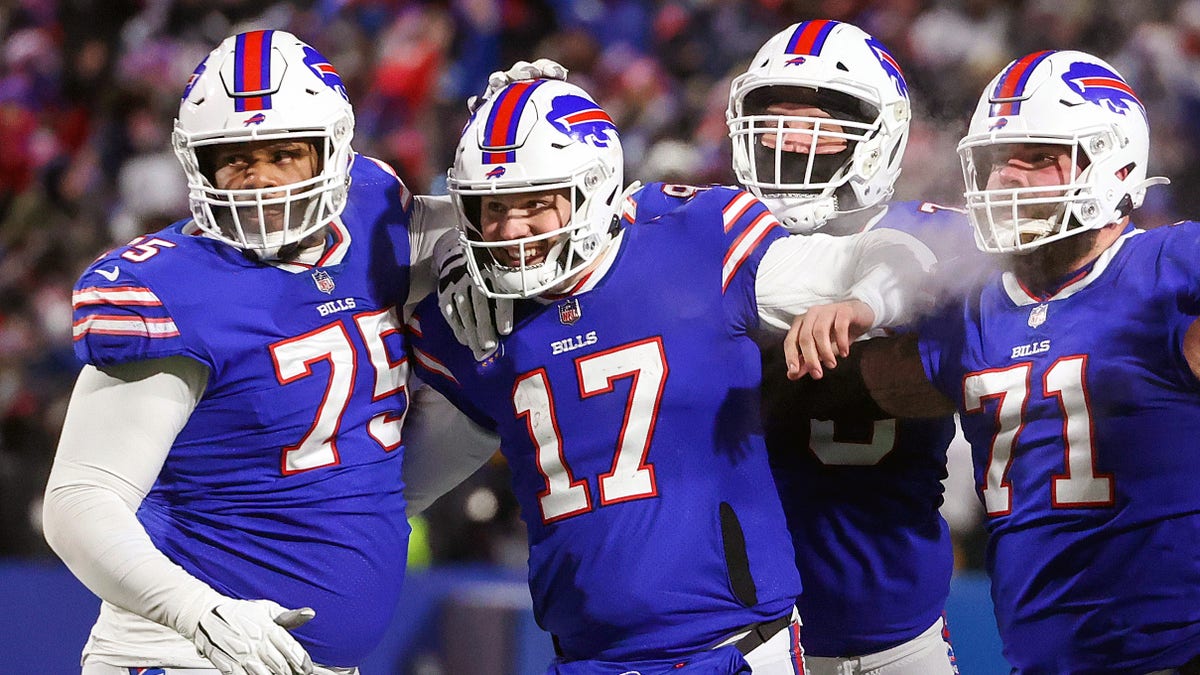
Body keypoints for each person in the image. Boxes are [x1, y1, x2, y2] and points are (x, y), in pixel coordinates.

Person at [411, 76, 937, 673]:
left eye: (537, 203)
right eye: (493, 208)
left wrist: (862, 303)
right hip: (586, 659)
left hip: (732, 650)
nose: (511, 231)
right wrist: (450, 251)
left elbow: (891, 253)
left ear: (594, 189)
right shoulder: (476, 317)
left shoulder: (694, 239)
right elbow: (408, 479)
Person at [41, 29, 500, 675]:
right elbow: (80, 500)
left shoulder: (372, 208)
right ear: (196, 162)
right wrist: (197, 611)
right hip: (189, 654)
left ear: (334, 149)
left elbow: (484, 235)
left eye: (284, 154)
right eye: (235, 157)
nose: (260, 180)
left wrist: (517, 144)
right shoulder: (166, 288)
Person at [785, 50, 1200, 674]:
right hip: (1044, 658)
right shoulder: (975, 305)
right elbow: (835, 390)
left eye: (1037, 157)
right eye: (994, 160)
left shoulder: (1168, 267)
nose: (1008, 177)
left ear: (1113, 162)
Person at [720, 20, 985, 675]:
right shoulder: (714, 238)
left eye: (818, 120)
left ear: (879, 137)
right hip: (745, 640)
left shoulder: (925, 238)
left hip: (899, 637)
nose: (791, 138)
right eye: (775, 117)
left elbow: (921, 257)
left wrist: (864, 306)